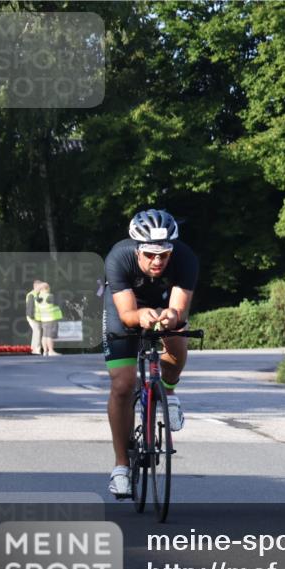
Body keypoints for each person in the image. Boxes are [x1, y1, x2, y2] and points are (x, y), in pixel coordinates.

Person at [102, 209, 198, 498]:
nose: (158, 261)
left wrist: (171, 317)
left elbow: (179, 309)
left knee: (177, 336)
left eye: (164, 254)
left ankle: (168, 391)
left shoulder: (185, 258)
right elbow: (127, 313)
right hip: (127, 307)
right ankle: (121, 467)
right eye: (150, 255)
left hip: (164, 303)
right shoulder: (118, 258)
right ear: (137, 250)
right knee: (122, 384)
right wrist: (140, 316)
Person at [34, 282, 63, 356]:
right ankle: (51, 351)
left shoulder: (38, 298)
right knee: (50, 336)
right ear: (46, 288)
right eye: (48, 287)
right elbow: (58, 303)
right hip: (51, 318)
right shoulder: (49, 296)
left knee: (44, 336)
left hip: (44, 319)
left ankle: (45, 351)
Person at [26, 280, 45, 355]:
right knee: (37, 331)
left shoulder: (38, 294)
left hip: (37, 318)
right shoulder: (32, 294)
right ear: (36, 286)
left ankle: (34, 350)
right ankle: (36, 351)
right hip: (33, 317)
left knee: (37, 332)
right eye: (40, 286)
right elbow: (30, 306)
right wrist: (31, 317)